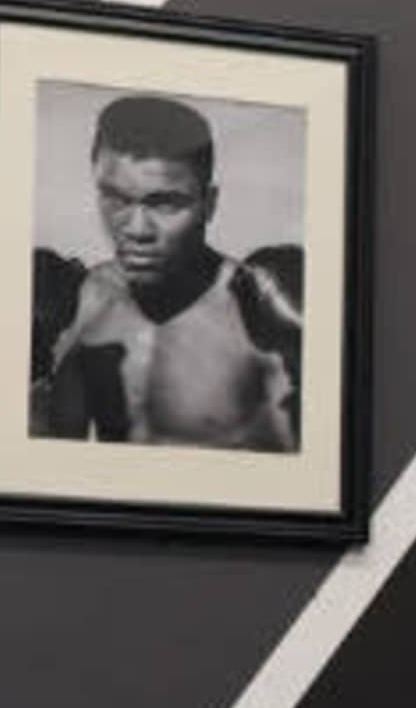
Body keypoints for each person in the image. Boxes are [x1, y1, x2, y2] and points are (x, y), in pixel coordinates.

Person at [29, 93, 305, 453]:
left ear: (209, 204)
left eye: (165, 203)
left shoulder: (260, 306)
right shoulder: (79, 302)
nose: (137, 229)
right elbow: (48, 469)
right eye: (116, 198)